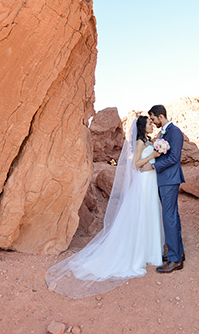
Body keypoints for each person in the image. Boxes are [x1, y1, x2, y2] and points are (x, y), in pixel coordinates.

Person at [45, 116, 163, 298]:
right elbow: (136, 164)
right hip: (143, 183)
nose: (151, 125)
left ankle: (151, 252)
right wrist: (153, 155)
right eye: (148, 123)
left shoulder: (149, 140)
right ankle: (138, 254)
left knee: (150, 215)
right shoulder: (140, 142)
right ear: (142, 126)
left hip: (151, 180)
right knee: (141, 216)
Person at [145, 104, 186, 273]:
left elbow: (175, 157)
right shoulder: (164, 132)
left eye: (153, 119)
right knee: (172, 216)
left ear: (160, 116)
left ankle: (175, 259)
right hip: (165, 179)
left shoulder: (174, 132)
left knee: (168, 217)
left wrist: (154, 166)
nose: (153, 123)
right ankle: (178, 253)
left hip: (169, 179)